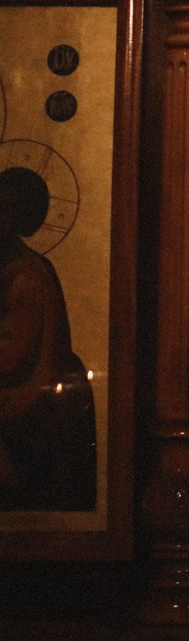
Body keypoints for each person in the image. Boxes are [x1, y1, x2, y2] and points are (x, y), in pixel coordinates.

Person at [0, 165, 96, 510]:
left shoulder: (28, 276)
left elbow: (13, 355)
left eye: (5, 209)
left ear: (21, 219)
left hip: (29, 395)